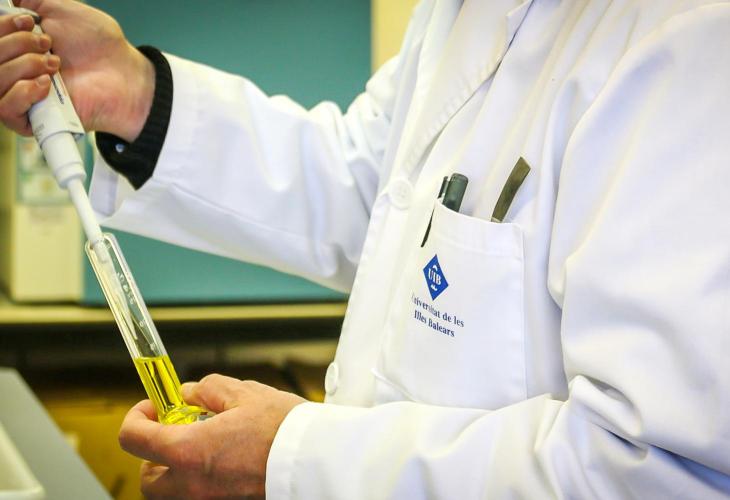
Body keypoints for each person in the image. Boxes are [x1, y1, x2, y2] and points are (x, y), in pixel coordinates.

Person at [2, 0, 730, 498]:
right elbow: (379, 192)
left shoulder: (686, 40)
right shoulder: (461, 12)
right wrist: (133, 94)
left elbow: (658, 471)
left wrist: (293, 461)